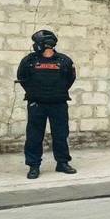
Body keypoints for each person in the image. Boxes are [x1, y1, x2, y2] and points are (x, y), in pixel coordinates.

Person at [17, 30, 77, 179]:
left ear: (44, 44)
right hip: (36, 104)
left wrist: (56, 92)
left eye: (36, 43)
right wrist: (36, 93)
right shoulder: (29, 61)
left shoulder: (64, 61)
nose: (34, 46)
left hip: (58, 103)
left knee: (61, 135)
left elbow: (70, 79)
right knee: (34, 136)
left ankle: (62, 163)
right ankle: (34, 166)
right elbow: (22, 78)